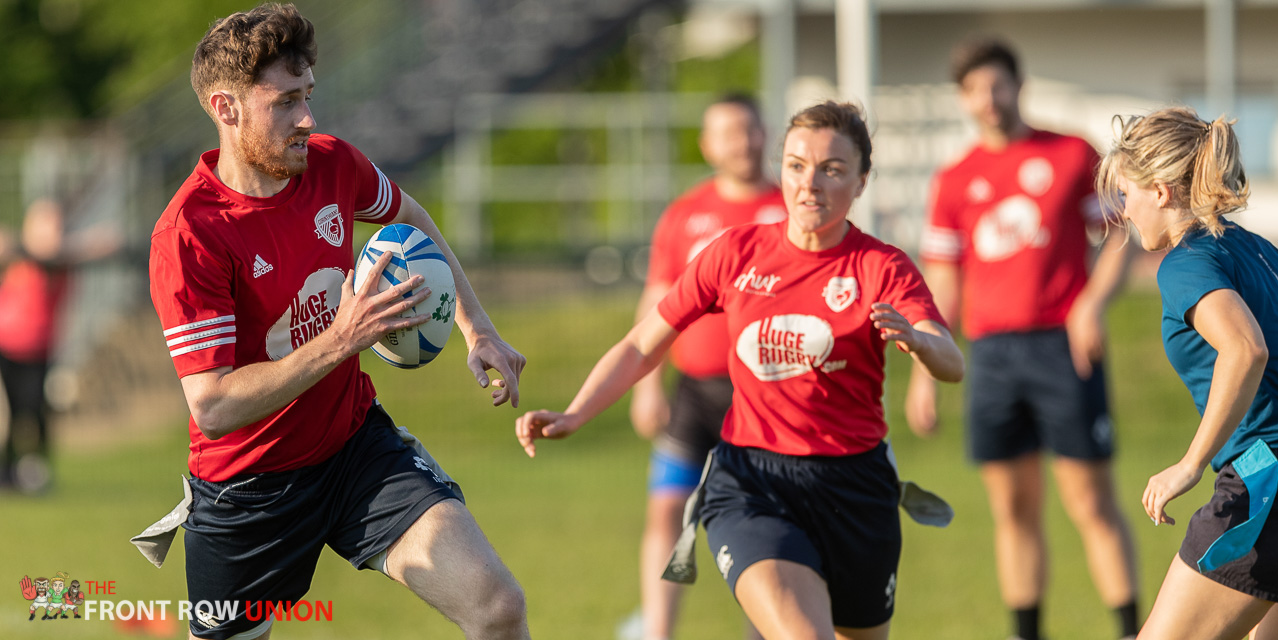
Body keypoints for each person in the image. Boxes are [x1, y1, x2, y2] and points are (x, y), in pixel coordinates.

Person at [145, 5, 528, 639]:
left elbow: (410, 219)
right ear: (226, 108)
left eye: (309, 96)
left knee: (497, 607)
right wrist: (341, 340)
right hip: (248, 491)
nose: (308, 118)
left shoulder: (330, 163)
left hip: (356, 453)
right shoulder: (191, 235)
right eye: (286, 101)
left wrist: (477, 326)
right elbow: (211, 405)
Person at [517, 101, 965, 640]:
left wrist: (917, 340)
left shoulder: (880, 266)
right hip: (753, 483)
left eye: (833, 169)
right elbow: (642, 344)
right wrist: (576, 411)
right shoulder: (736, 253)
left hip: (856, 488)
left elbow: (952, 361)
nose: (810, 183)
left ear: (862, 181)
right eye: (797, 165)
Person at [908, 38, 1140, 640]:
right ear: (963, 99)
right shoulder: (955, 179)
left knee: (1090, 503)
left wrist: (1091, 303)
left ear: (1018, 84)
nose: (988, 99)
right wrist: (923, 373)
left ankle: (1133, 629)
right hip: (991, 357)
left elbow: (1121, 235)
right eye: (974, 89)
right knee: (1013, 510)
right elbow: (943, 281)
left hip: (1062, 349)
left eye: (997, 84)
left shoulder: (1069, 153)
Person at [1097, 106, 1278, 640]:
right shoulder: (1256, 248)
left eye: (1126, 195)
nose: (1124, 213)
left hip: (1262, 482)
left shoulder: (1186, 263)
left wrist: (1190, 464)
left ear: (1160, 191)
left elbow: (1245, 350)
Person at [623, 93, 783, 640]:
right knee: (667, 512)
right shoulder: (685, 215)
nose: (742, 140)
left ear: (765, 133)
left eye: (750, 128)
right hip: (694, 395)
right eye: (728, 132)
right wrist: (647, 387)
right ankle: (658, 633)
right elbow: (657, 303)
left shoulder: (790, 211)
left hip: (766, 402)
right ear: (708, 145)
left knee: (764, 526)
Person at [0, 198, 121, 493]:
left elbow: (105, 241)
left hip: (39, 350)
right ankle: (8, 471)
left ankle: (33, 468)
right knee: (12, 413)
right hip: (6, 346)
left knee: (35, 411)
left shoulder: (62, 259)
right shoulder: (15, 255)